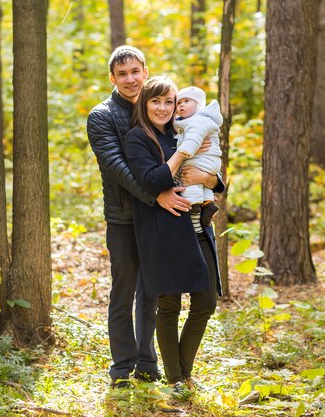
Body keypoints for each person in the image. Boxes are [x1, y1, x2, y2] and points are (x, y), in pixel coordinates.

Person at [86, 46, 201, 388]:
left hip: (156, 216)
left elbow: (187, 147)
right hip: (124, 215)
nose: (131, 78)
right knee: (123, 291)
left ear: (145, 71)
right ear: (113, 78)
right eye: (122, 74)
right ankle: (122, 367)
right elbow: (116, 167)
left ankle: (147, 362)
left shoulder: (160, 107)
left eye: (135, 71)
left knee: (152, 290)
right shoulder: (102, 115)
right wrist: (157, 194)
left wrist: (209, 174)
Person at [124, 76, 224, 400]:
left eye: (170, 101)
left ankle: (182, 371)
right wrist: (182, 155)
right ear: (145, 103)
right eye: (157, 102)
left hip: (199, 230)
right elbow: (153, 180)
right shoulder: (138, 138)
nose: (164, 108)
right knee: (169, 306)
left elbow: (214, 176)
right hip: (164, 232)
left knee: (206, 302)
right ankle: (177, 379)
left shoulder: (183, 128)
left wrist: (208, 176)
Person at [174, 86, 223, 227]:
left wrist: (185, 151)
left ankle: (193, 206)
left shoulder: (197, 121)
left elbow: (193, 139)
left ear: (199, 105)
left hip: (202, 161)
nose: (181, 105)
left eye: (187, 101)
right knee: (200, 184)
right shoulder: (193, 120)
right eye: (178, 102)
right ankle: (208, 203)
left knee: (188, 178)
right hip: (210, 164)